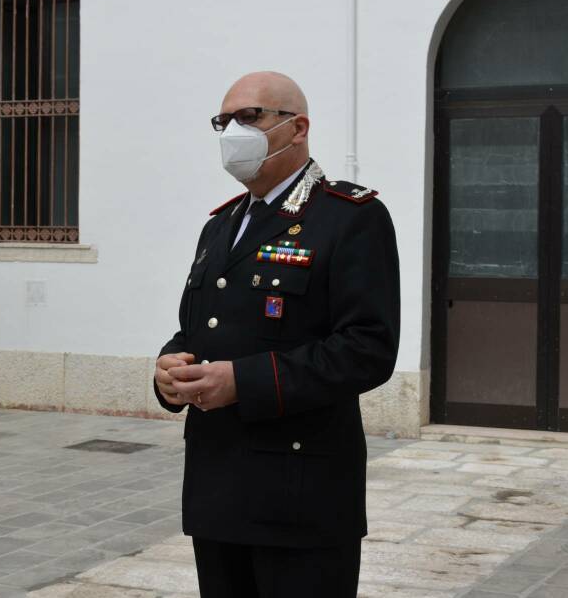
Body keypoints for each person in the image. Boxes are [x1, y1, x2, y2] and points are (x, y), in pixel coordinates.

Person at [154, 72, 400, 597]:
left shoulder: (350, 218)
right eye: (224, 121)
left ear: (298, 128)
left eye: (250, 117)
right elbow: (200, 328)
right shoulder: (221, 225)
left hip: (299, 493)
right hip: (217, 487)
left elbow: (368, 349)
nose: (232, 132)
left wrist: (244, 381)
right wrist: (170, 368)